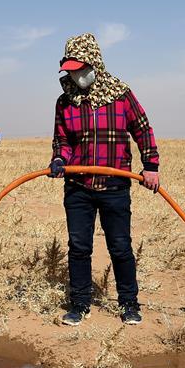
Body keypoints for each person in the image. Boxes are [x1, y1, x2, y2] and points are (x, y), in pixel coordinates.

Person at [48, 33, 160, 327]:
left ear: (94, 63)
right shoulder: (65, 102)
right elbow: (62, 140)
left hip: (114, 187)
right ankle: (80, 304)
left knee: (121, 247)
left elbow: (143, 129)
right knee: (79, 247)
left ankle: (129, 304)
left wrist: (151, 165)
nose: (75, 75)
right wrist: (60, 158)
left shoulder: (121, 95)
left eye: (79, 68)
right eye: (71, 70)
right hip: (78, 188)